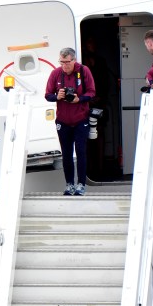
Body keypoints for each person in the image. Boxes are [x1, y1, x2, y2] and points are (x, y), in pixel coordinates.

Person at [45, 47, 96, 196]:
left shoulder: (83, 71)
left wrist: (78, 99)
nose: (64, 66)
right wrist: (57, 96)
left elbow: (92, 92)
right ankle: (69, 184)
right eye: (61, 62)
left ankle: (81, 184)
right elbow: (47, 95)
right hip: (63, 120)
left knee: (80, 151)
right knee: (66, 153)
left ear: (74, 60)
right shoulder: (56, 73)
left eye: (67, 62)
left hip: (81, 119)